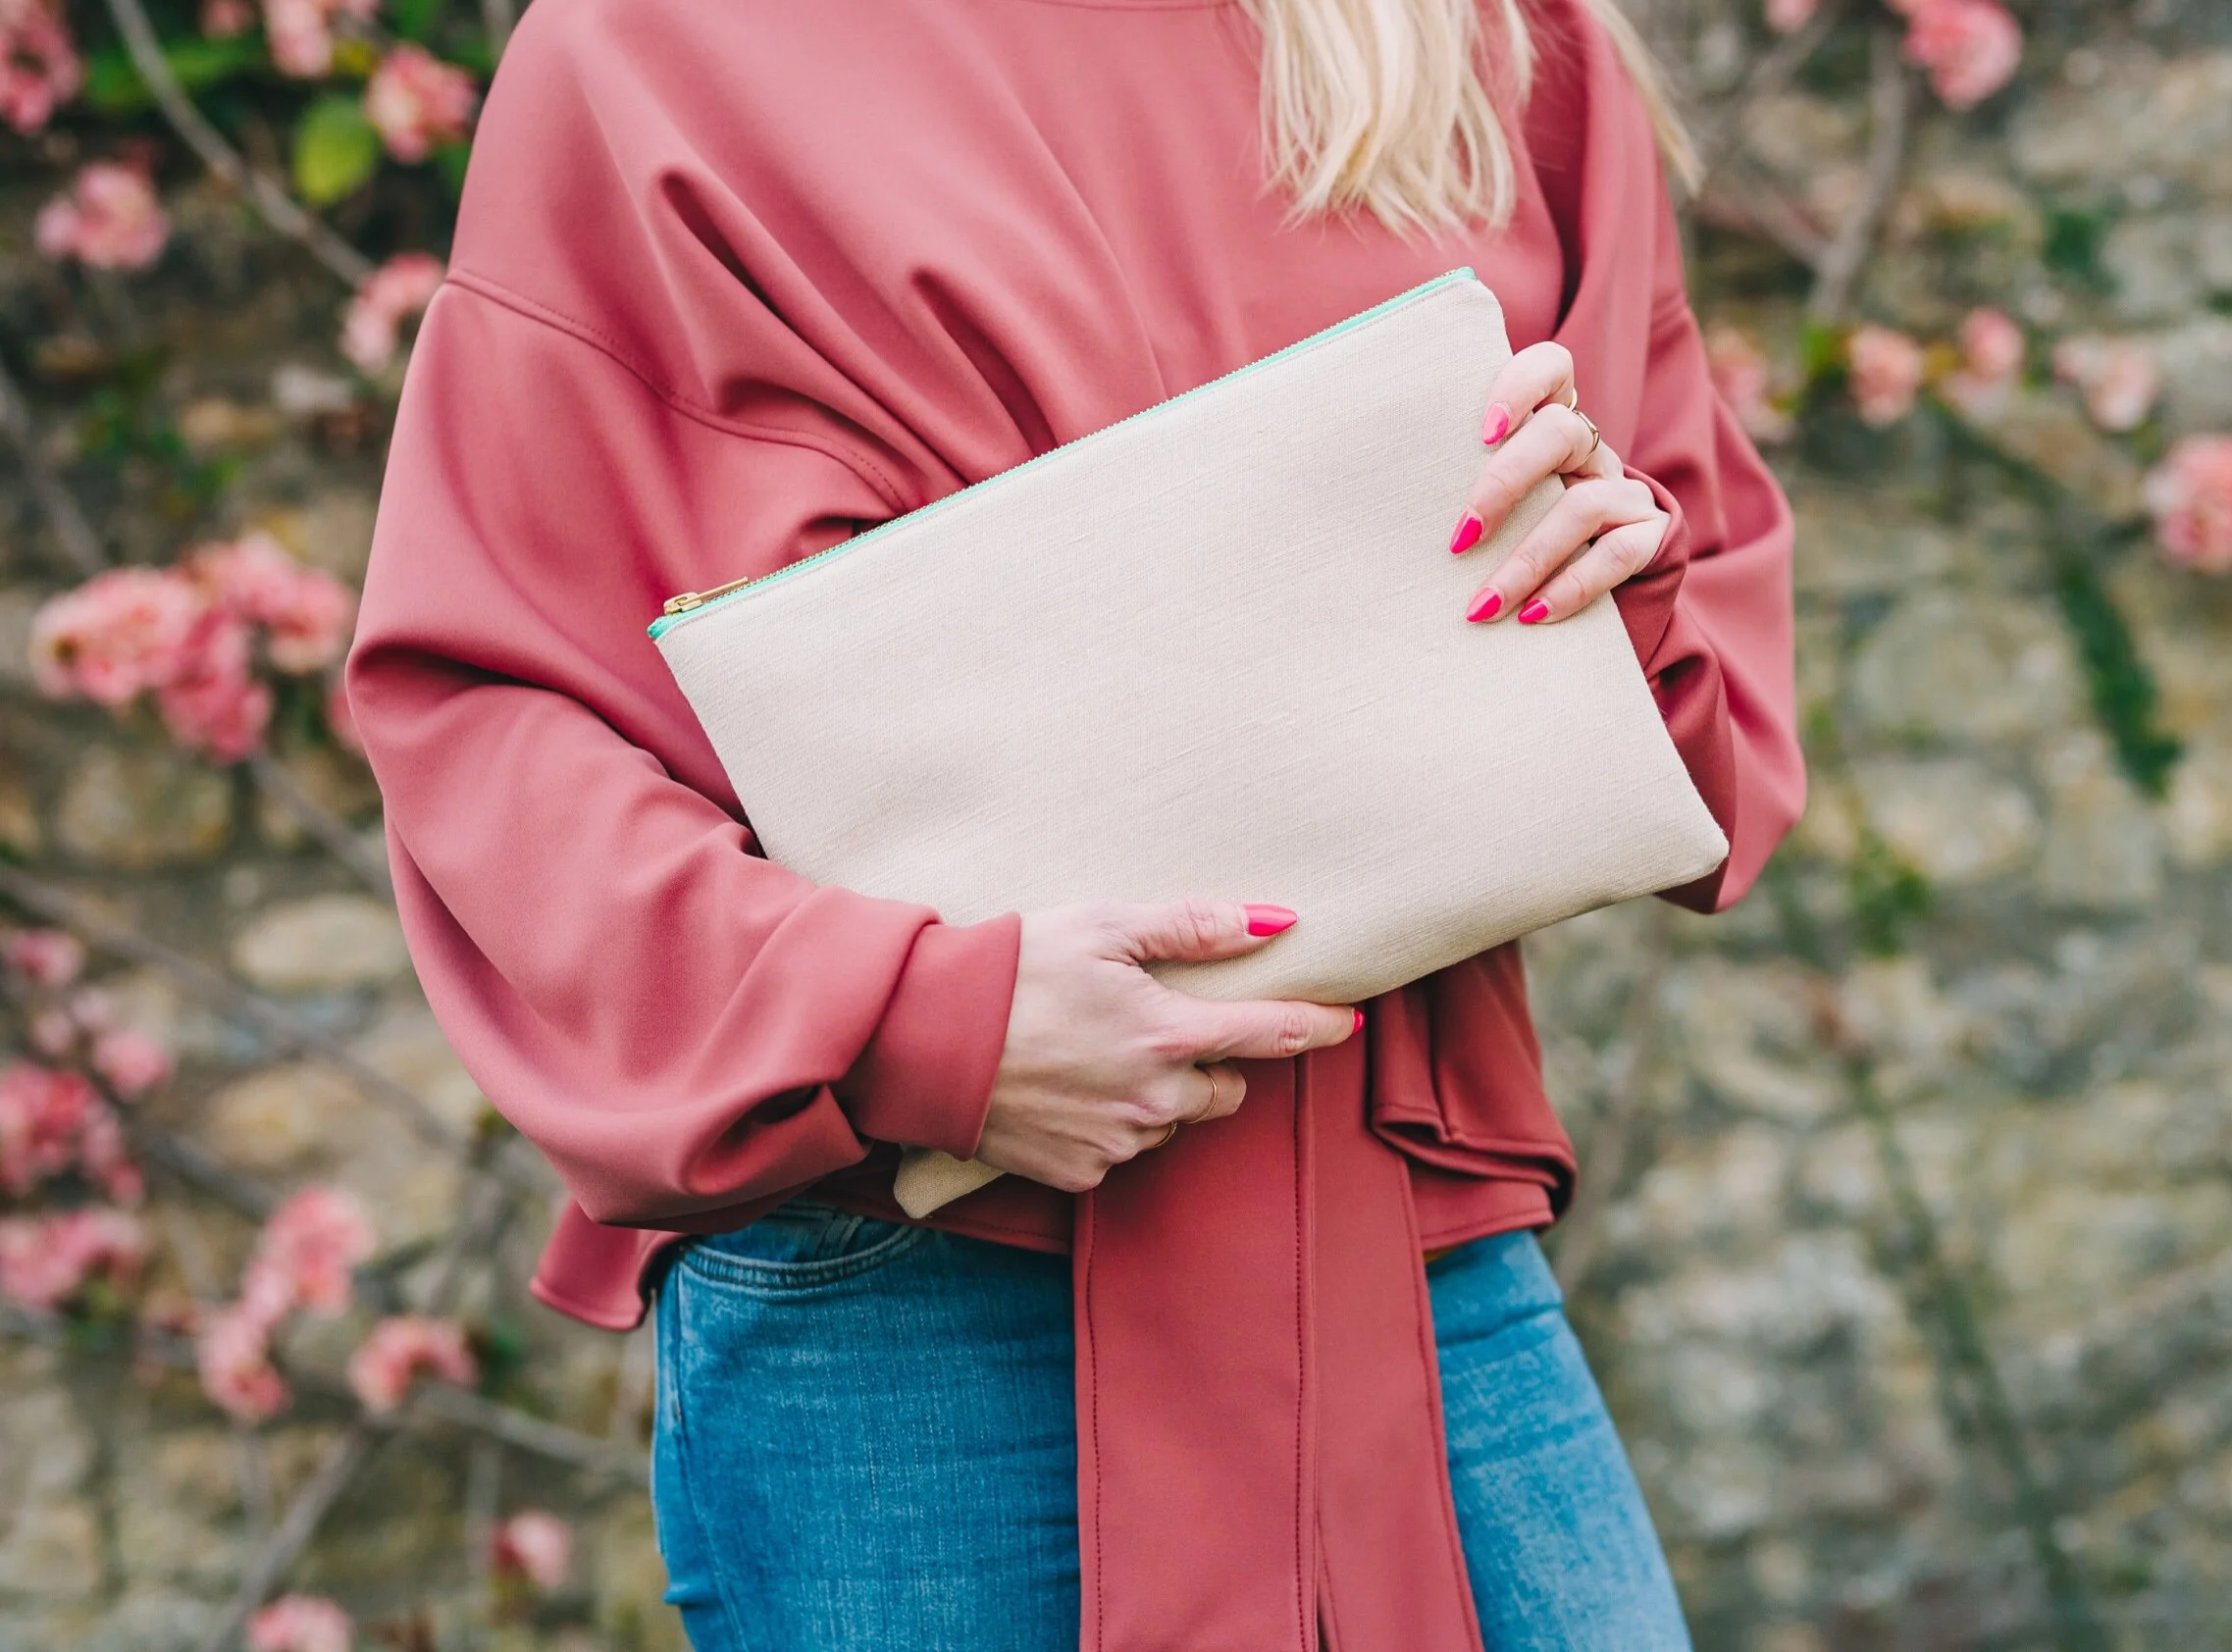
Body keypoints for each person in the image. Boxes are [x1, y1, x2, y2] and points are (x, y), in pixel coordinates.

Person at [344, 0, 1803, 1646]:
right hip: (915, 1277)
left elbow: (1714, 689)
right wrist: (918, 1021)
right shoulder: (655, 42)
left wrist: (1616, 572)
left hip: (1412, 1248)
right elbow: (490, 704)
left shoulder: (1489, 35)